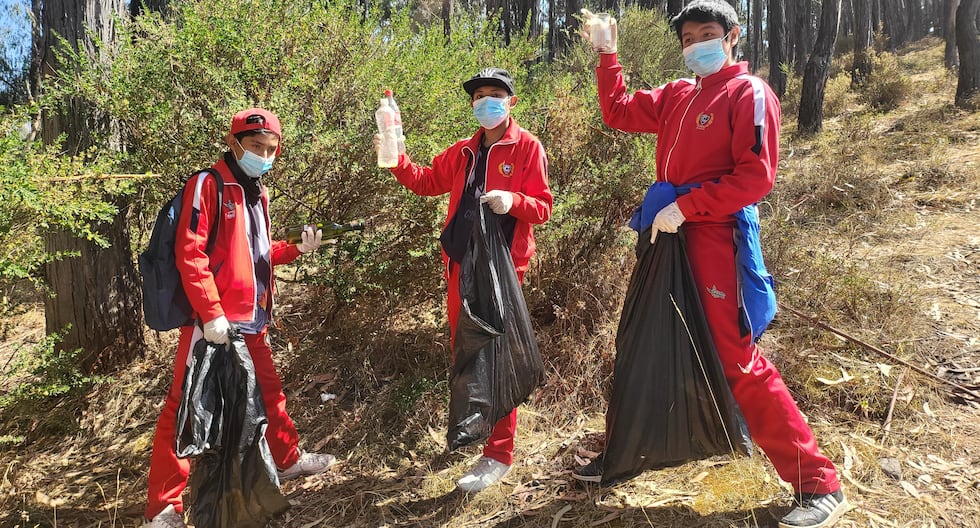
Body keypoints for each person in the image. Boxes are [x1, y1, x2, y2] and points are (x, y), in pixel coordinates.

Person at [573, 3, 847, 528]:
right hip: (666, 236)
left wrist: (688, 207)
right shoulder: (680, 93)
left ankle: (817, 482)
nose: (697, 43)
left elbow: (756, 177)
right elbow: (620, 112)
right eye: (688, 36)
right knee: (647, 340)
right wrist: (608, 55)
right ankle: (633, 452)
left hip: (715, 238)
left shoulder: (748, 93)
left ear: (733, 36)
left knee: (737, 359)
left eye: (708, 34)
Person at [144, 108, 336, 527]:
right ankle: (163, 508)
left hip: (252, 323)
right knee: (182, 407)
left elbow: (258, 256)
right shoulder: (207, 185)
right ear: (234, 144)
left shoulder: (258, 192)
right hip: (209, 326)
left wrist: (297, 250)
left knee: (269, 394)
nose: (264, 155)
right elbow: (190, 254)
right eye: (255, 147)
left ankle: (287, 460)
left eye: (270, 149)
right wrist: (211, 316)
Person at [374, 68, 552, 493]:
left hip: (501, 271)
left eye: (495, 94)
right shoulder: (463, 152)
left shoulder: (527, 147)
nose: (486, 101)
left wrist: (513, 201)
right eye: (479, 95)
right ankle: (475, 432)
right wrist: (396, 158)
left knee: (497, 355)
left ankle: (499, 454)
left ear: (511, 101)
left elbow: (543, 207)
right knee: (468, 352)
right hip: (459, 266)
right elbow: (426, 181)